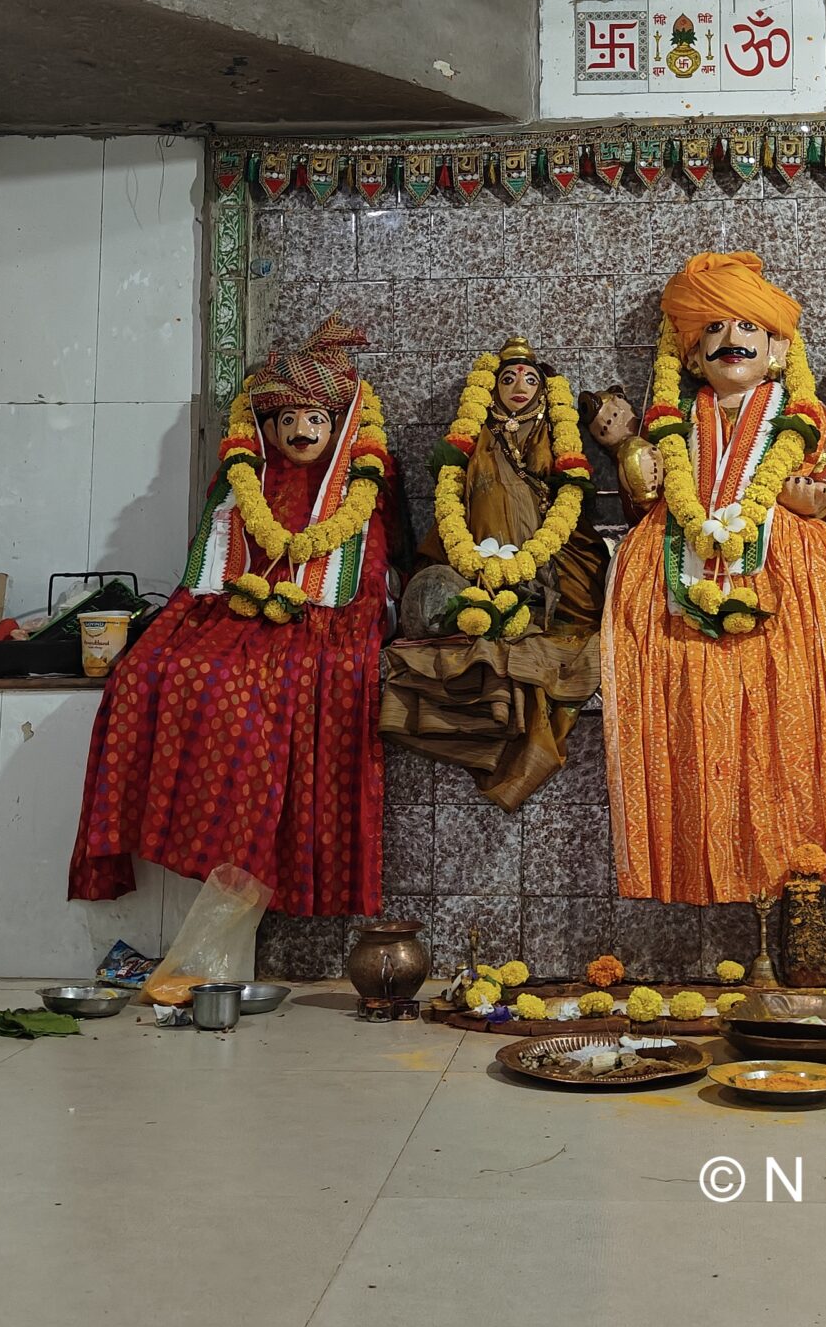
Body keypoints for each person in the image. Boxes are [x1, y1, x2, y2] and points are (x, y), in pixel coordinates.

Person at [600, 250, 826, 906]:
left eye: (747, 327)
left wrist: (817, 495)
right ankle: (703, 860)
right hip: (680, 581)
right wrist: (640, 481)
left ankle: (795, 861)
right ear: (691, 359)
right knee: (694, 727)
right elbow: (652, 499)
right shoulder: (677, 424)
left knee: (794, 721)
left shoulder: (804, 419)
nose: (730, 340)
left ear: (777, 351)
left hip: (794, 582)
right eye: (712, 330)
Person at [67, 314, 401, 917]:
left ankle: (259, 865)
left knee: (314, 676)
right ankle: (187, 838)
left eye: (316, 419)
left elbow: (367, 576)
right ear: (266, 427)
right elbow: (211, 570)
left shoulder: (356, 488)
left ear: (338, 428)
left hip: (319, 617)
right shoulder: (244, 479)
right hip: (232, 608)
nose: (302, 432)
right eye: (289, 420)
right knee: (150, 673)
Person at [380, 336, 607, 809]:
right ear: (492, 389)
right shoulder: (472, 437)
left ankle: (524, 609)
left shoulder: (556, 432)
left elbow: (569, 496)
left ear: (544, 391)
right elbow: (455, 498)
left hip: (549, 558)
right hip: (474, 556)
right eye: (507, 379)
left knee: (574, 622)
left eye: (529, 379)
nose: (518, 387)